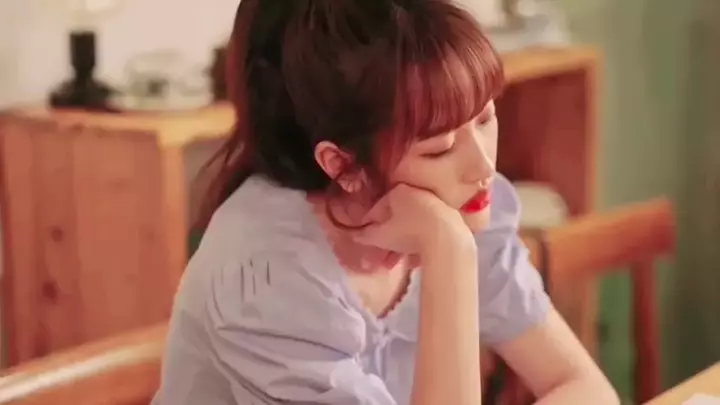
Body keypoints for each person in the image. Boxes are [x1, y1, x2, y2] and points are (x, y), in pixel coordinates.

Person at [153, 0, 619, 404]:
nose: (481, 166)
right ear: (342, 165)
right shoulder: (269, 279)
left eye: (484, 119)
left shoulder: (465, 202)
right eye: (438, 149)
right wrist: (450, 254)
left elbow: (586, 388)